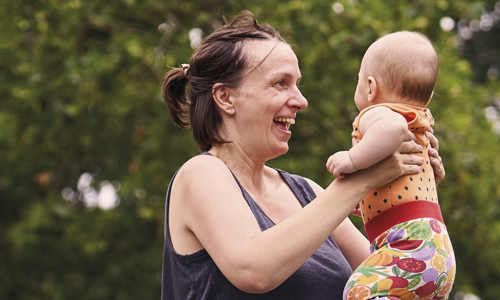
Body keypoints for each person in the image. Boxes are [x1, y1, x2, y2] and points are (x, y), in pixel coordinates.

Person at [161, 12, 445, 300]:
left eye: (297, 84)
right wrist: (364, 178)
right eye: (280, 83)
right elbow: (254, 271)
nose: (301, 101)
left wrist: (414, 187)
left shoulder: (308, 192)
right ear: (225, 98)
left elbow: (399, 277)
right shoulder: (200, 173)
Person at [327, 31, 455, 299]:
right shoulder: (418, 122)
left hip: (410, 242)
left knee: (358, 290)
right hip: (437, 250)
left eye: (358, 81)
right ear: (429, 97)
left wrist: (352, 159)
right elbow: (402, 185)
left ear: (371, 87)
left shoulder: (378, 114)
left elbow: (392, 128)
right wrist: (364, 200)